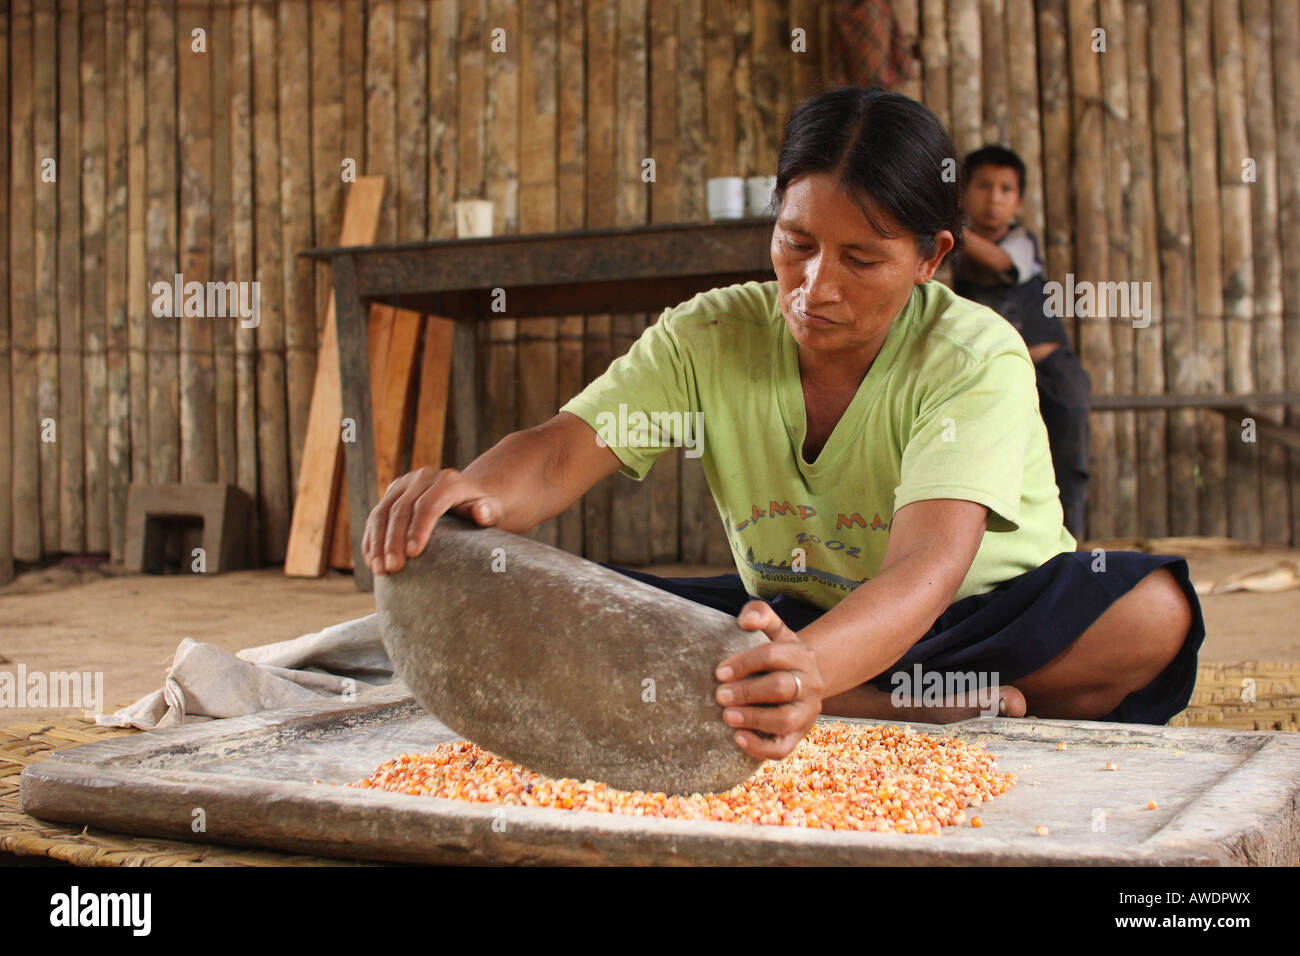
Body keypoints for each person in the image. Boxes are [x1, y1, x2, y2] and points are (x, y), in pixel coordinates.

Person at [362, 87, 1204, 763]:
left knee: (1153, 613)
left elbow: (926, 568)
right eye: (796, 243)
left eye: (861, 259)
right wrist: (474, 491)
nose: (815, 286)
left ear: (931, 258)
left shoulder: (973, 353)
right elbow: (555, 453)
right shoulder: (712, 331)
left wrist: (809, 670)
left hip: (979, 617)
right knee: (544, 595)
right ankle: (869, 706)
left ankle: (821, 692)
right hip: (794, 617)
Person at [948, 145, 1092, 539]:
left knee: (1067, 452)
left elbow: (998, 263)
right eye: (983, 186)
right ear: (964, 193)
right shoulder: (951, 251)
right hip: (993, 374)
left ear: (1018, 201)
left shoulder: (1021, 243)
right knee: (995, 459)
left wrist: (944, 224)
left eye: (1006, 189)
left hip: (1050, 370)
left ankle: (1071, 542)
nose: (994, 198)